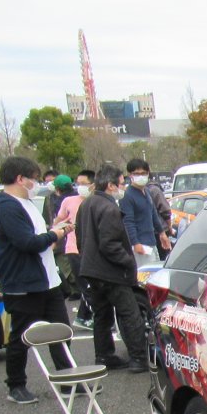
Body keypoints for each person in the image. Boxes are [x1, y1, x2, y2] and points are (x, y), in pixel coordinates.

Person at [0, 155, 72, 405]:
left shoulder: (26, 203)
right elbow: (26, 242)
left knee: (61, 331)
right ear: (20, 179)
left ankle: (67, 379)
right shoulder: (6, 206)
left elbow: (38, 236)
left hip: (47, 280)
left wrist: (54, 230)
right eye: (34, 179)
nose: (37, 184)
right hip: (23, 284)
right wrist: (55, 233)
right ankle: (16, 385)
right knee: (22, 337)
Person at [76, 164, 147, 372]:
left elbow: (81, 238)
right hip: (111, 271)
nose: (122, 187)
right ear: (110, 185)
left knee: (102, 314)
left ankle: (104, 355)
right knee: (130, 313)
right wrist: (128, 261)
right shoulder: (109, 208)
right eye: (121, 183)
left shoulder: (87, 204)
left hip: (91, 269)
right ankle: (138, 357)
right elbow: (110, 244)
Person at [52, 170, 94, 327]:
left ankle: (82, 317)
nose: (80, 187)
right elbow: (57, 221)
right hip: (74, 250)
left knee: (91, 286)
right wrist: (59, 232)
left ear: (93, 185)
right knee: (87, 287)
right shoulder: (69, 201)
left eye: (84, 184)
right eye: (79, 183)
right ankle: (98, 318)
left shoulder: (95, 200)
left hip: (92, 251)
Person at [120, 158, 166, 261]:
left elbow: (153, 214)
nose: (140, 176)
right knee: (144, 275)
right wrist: (135, 243)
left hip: (152, 242)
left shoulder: (147, 192)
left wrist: (162, 233)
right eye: (136, 174)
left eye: (143, 173)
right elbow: (128, 222)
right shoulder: (127, 195)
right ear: (130, 175)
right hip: (140, 245)